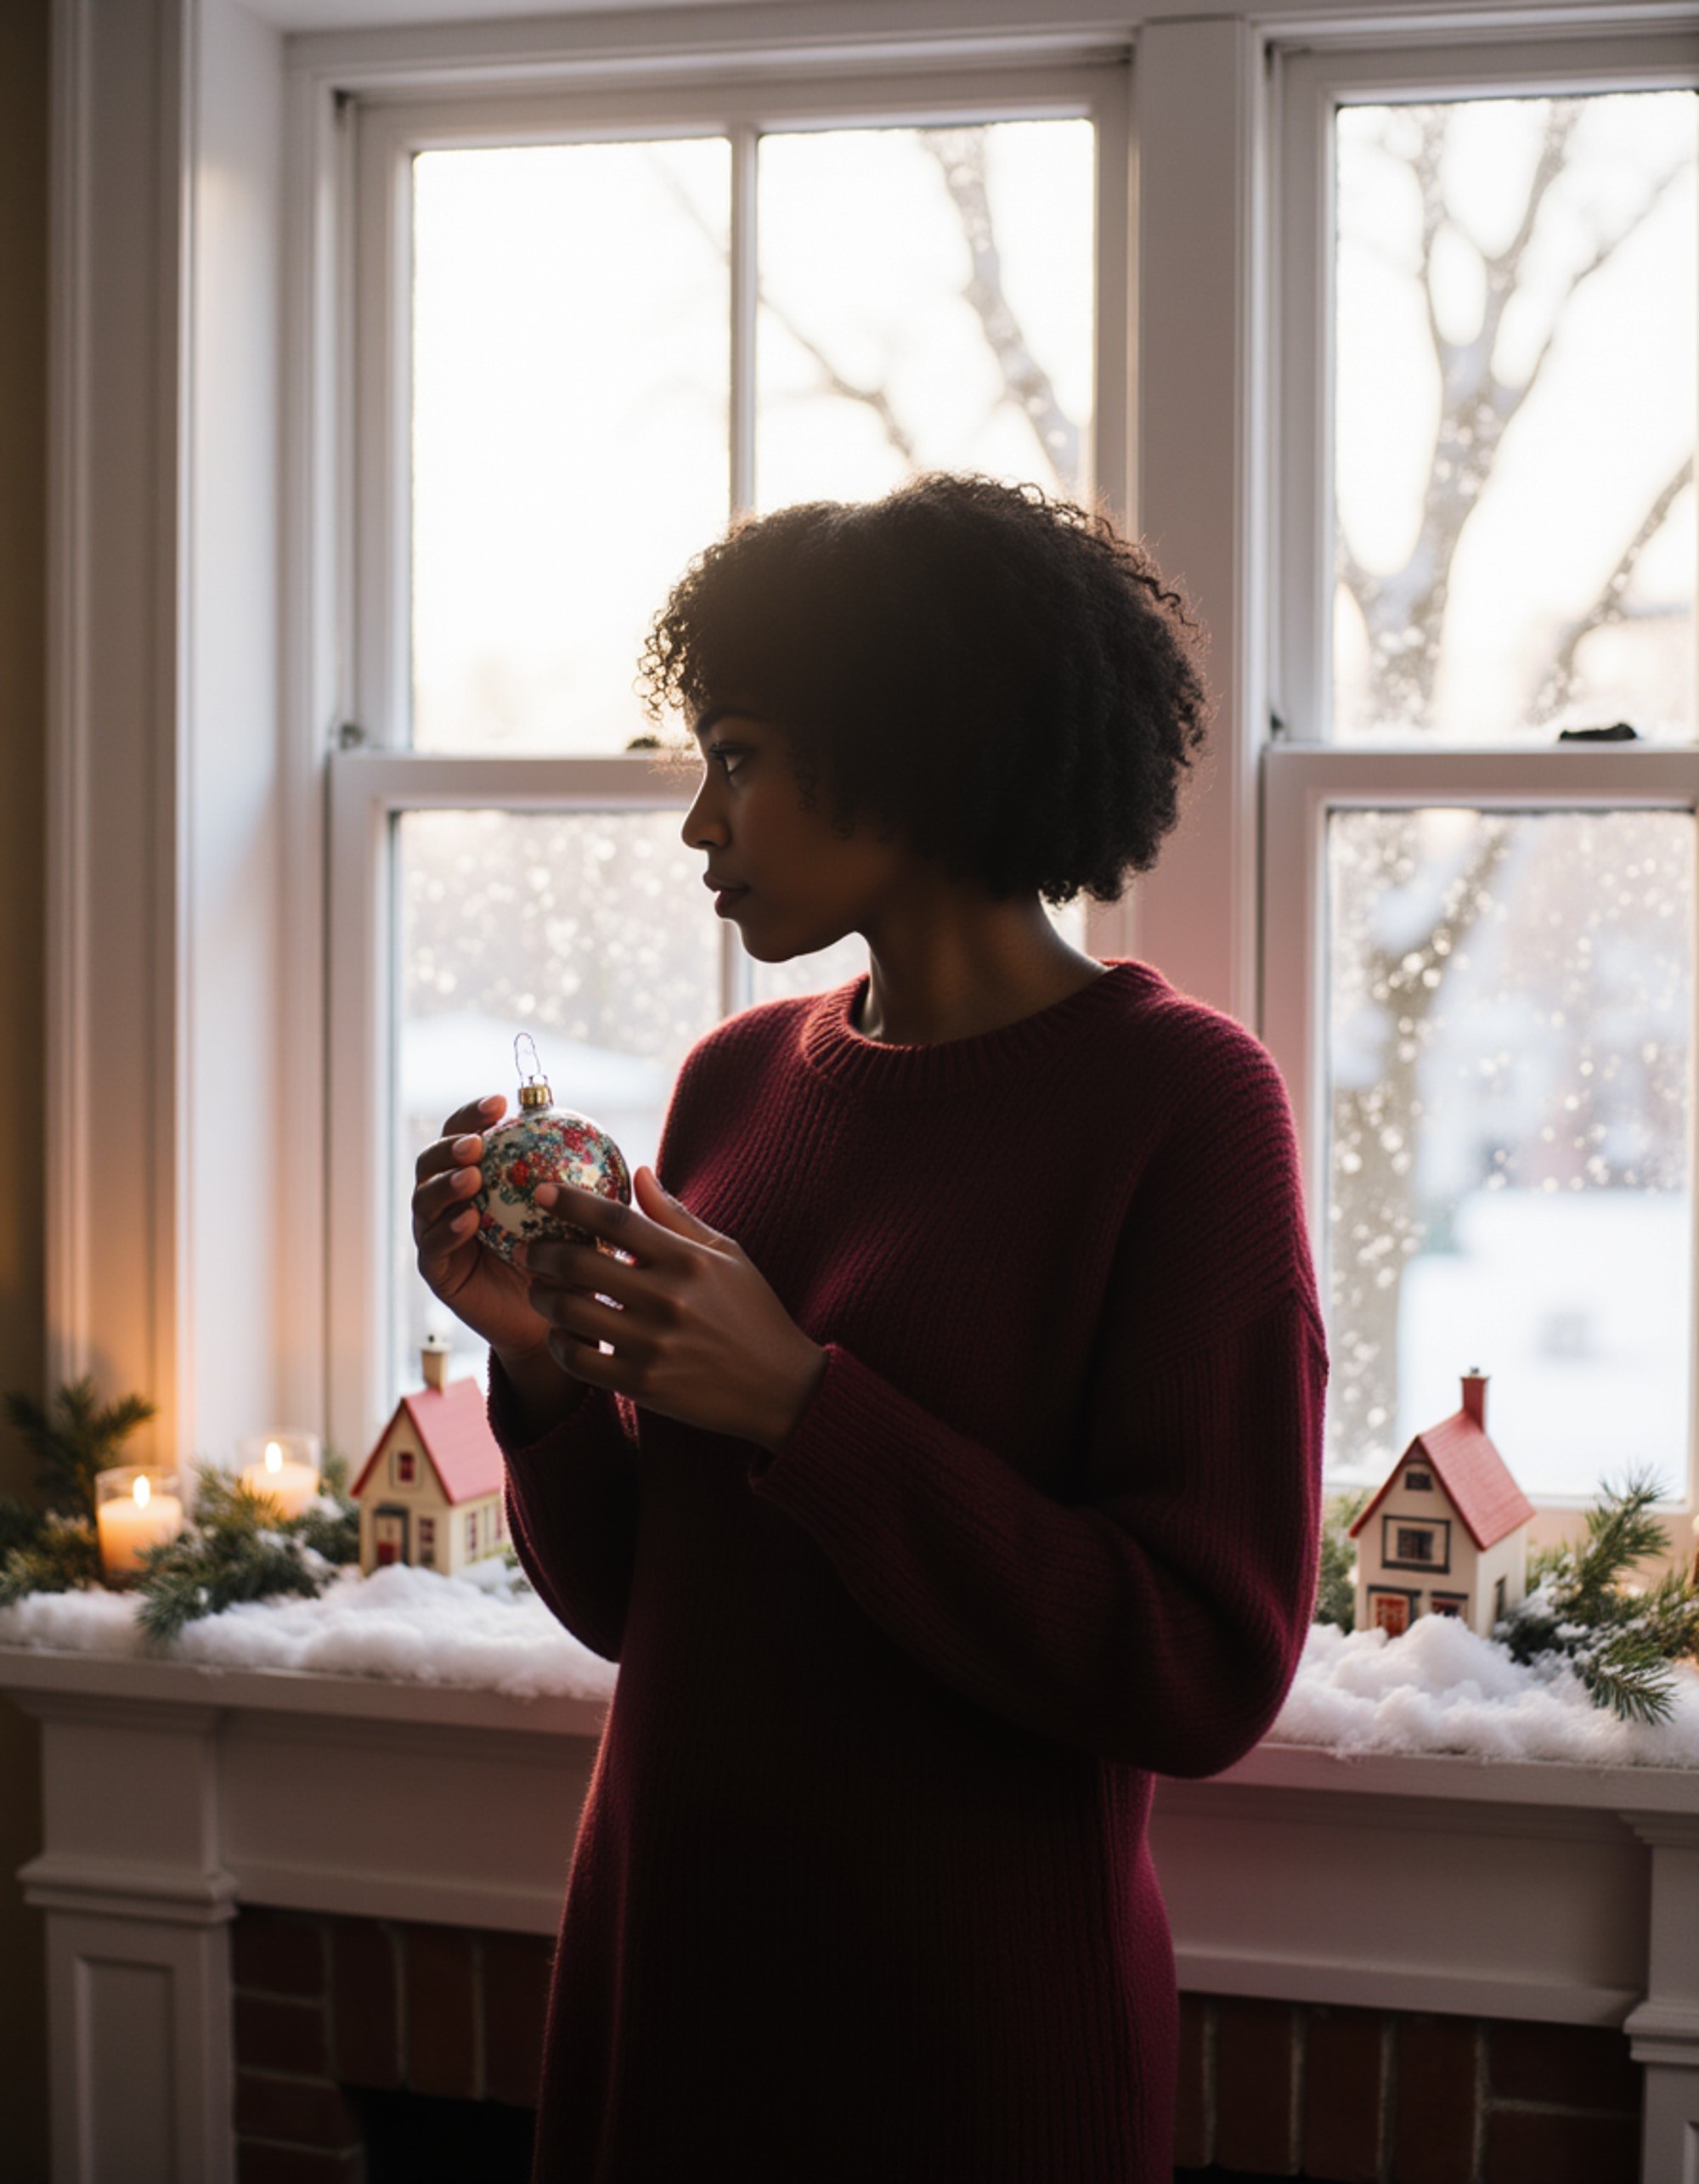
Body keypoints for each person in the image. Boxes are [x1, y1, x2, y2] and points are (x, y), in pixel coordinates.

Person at [409, 473, 1328, 2183]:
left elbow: (1201, 1669)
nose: (698, 820)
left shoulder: (1182, 1107)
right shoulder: (734, 1082)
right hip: (664, 1990)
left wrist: (803, 1407)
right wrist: (532, 1361)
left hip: (967, 2048)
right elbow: (641, 1605)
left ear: (916, 748)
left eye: (738, 754)